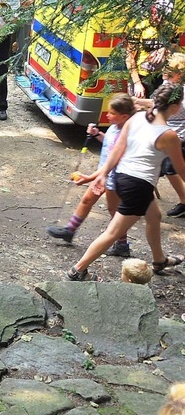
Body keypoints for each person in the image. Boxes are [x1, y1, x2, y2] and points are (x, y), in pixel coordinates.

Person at [68, 83, 185, 281]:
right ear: (174, 107)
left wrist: (102, 174)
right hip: (138, 186)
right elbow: (181, 169)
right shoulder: (168, 134)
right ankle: (78, 270)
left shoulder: (137, 118)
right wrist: (99, 176)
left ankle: (159, 260)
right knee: (113, 231)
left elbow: (117, 150)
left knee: (154, 216)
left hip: (123, 177)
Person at [46, 94, 136, 256]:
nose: (107, 115)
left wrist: (91, 177)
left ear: (124, 116)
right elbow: (108, 143)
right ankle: (70, 231)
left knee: (114, 210)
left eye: (111, 113)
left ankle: (122, 245)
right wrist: (97, 134)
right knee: (87, 200)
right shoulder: (115, 127)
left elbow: (115, 159)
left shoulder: (127, 134)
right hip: (103, 174)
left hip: (114, 178)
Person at [134, 53, 185, 217]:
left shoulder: (182, 92)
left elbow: (166, 106)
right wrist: (138, 101)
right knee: (163, 168)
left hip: (178, 136)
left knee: (171, 169)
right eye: (165, 71)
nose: (165, 76)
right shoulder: (168, 83)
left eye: (170, 73)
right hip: (164, 133)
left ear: (179, 74)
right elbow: (158, 102)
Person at [126, 0, 175, 98]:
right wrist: (137, 83)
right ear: (152, 11)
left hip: (161, 77)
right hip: (141, 76)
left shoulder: (171, 29)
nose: (159, 18)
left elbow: (175, 51)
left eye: (163, 16)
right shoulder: (139, 28)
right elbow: (129, 57)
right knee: (138, 107)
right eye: (156, 14)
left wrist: (165, 49)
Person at [7, 0, 38, 70]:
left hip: (25, 16)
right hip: (10, 14)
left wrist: (14, 1)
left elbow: (30, 0)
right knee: (7, 39)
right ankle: (5, 63)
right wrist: (21, 0)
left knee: (22, 41)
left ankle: (18, 66)